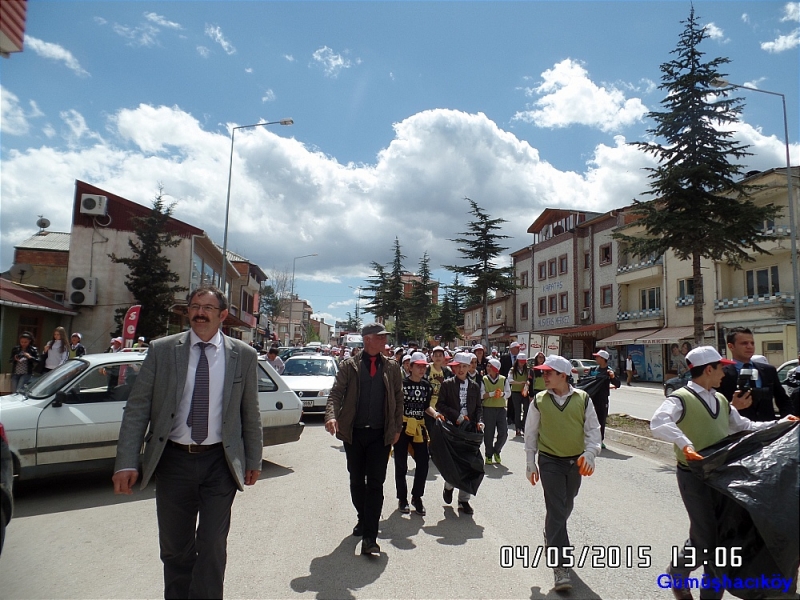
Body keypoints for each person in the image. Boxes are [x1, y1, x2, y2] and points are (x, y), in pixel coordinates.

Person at [112, 285, 262, 599]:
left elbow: (250, 411)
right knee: (175, 548)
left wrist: (253, 459)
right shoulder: (163, 349)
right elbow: (138, 407)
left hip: (219, 463)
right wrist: (127, 460)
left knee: (211, 545)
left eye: (208, 308)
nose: (199, 313)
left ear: (222, 315)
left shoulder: (243, 355)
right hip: (173, 461)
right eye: (195, 306)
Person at [649, 346, 797, 600]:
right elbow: (659, 423)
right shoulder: (680, 398)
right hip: (693, 476)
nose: (725, 373)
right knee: (705, 537)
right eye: (721, 368)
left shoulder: (718, 400)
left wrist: (780, 424)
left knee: (721, 537)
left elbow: (744, 426)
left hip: (722, 476)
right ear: (708, 369)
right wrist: (685, 444)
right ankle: (678, 571)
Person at [324, 322, 404, 556]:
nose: (384, 341)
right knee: (357, 481)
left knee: (376, 483)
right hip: (355, 433)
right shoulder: (349, 366)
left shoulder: (391, 366)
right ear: (368, 339)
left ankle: (371, 537)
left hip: (381, 434)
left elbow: (398, 399)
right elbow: (336, 393)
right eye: (380, 337)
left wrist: (397, 427)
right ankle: (363, 516)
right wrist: (331, 416)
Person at [524, 354, 601, 592]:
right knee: (557, 510)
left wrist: (590, 454)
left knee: (566, 506)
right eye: (543, 372)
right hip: (549, 461)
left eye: (549, 373)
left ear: (563, 375)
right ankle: (561, 567)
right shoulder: (538, 401)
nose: (544, 376)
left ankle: (551, 534)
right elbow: (530, 433)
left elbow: (593, 430)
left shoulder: (583, 399)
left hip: (575, 463)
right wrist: (530, 462)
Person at [436, 352, 484, 514]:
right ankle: (449, 485)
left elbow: (478, 408)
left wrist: (479, 421)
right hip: (452, 429)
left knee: (472, 465)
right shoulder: (447, 385)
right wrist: (455, 416)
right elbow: (440, 405)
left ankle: (464, 501)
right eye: (459, 367)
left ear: (469, 367)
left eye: (465, 366)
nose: (462, 369)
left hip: (470, 431)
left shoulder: (475, 386)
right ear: (455, 368)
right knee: (454, 464)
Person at [394, 352, 439, 517]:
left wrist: (436, 415)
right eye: (418, 366)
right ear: (410, 366)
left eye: (424, 366)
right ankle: (402, 498)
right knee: (401, 464)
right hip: (402, 426)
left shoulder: (427, 386)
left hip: (419, 427)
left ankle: (417, 496)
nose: (421, 369)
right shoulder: (400, 384)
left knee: (423, 462)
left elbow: (427, 406)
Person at [717, 327, 792, 420]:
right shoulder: (721, 374)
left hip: (768, 429)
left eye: (752, 343)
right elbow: (717, 407)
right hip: (738, 430)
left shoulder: (768, 370)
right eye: (744, 343)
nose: (750, 346)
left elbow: (783, 400)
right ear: (731, 346)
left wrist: (787, 420)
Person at [587, 350, 621, 448]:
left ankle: (600, 440)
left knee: (601, 420)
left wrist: (613, 377)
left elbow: (617, 384)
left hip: (602, 400)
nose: (596, 358)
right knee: (589, 419)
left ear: (603, 359)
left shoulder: (609, 371)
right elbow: (587, 382)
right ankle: (588, 439)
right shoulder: (593, 369)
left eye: (598, 357)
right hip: (591, 399)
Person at [480, 358, 510, 464]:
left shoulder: (503, 379)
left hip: (501, 409)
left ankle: (496, 450)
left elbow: (508, 393)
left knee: (504, 433)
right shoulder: (484, 379)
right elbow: (481, 395)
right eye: (488, 366)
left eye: (490, 367)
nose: (488, 369)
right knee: (489, 433)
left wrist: (501, 394)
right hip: (488, 409)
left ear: (496, 369)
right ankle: (488, 455)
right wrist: (492, 394)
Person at [424, 346, 453, 412]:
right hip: (428, 406)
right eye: (436, 355)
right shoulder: (427, 369)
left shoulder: (447, 371)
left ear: (443, 358)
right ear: (432, 357)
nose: (438, 358)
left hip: (441, 407)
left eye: (440, 355)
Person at [508, 352, 530, 437]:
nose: (522, 363)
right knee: (517, 411)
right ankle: (518, 428)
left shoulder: (527, 369)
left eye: (523, 361)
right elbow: (510, 380)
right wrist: (520, 382)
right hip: (515, 392)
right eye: (521, 361)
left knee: (526, 409)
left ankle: (523, 426)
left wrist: (527, 382)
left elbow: (529, 379)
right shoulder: (512, 370)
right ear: (517, 361)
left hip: (525, 392)